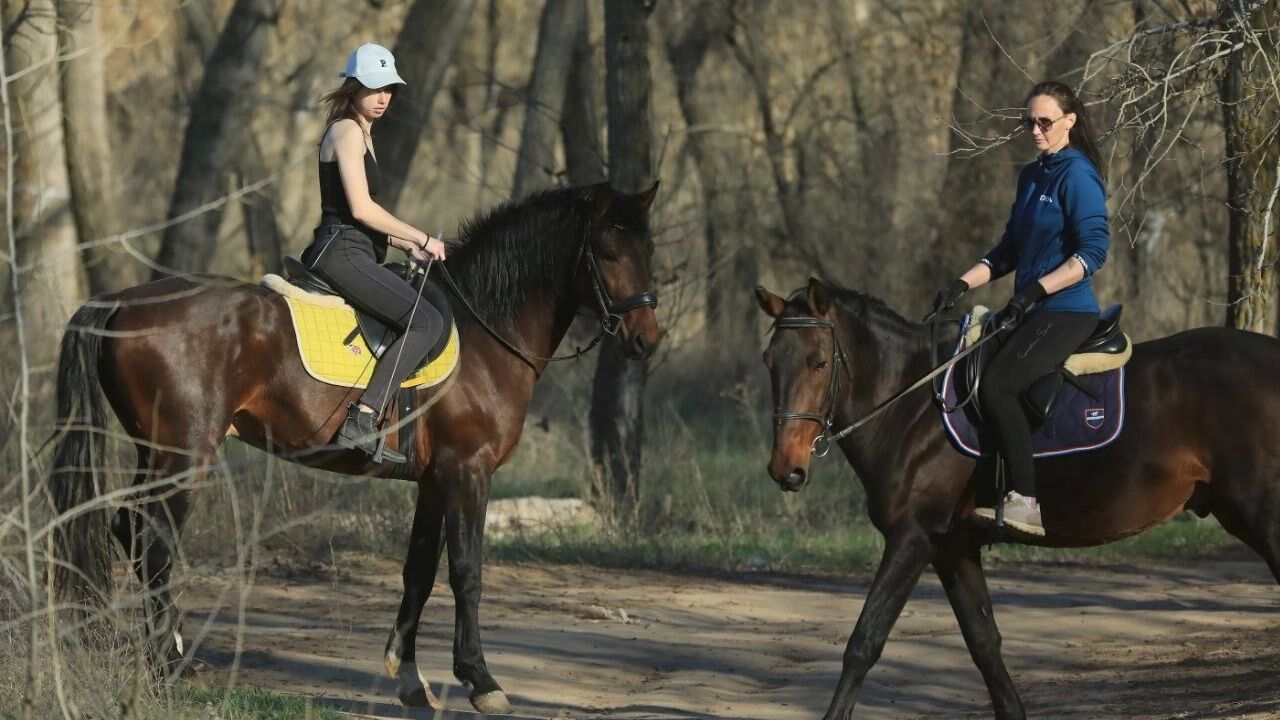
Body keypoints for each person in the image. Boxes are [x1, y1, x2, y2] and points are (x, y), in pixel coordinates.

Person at [932, 80, 1110, 535]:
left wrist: (1034, 292)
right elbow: (1008, 251)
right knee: (969, 375)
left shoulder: (1078, 175)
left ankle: (1026, 500)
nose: (1035, 130)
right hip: (1031, 310)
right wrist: (961, 283)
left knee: (999, 386)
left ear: (1070, 121)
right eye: (1028, 122)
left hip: (1067, 311)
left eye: (1044, 122)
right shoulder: (1031, 176)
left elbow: (1092, 253)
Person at [300, 43, 447, 463]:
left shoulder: (364, 132)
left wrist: (408, 246)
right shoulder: (346, 131)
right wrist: (422, 237)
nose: (384, 98)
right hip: (341, 253)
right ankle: (363, 418)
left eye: (389, 90)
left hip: (358, 249)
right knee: (426, 321)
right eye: (375, 88)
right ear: (354, 87)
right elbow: (362, 210)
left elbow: (360, 218)